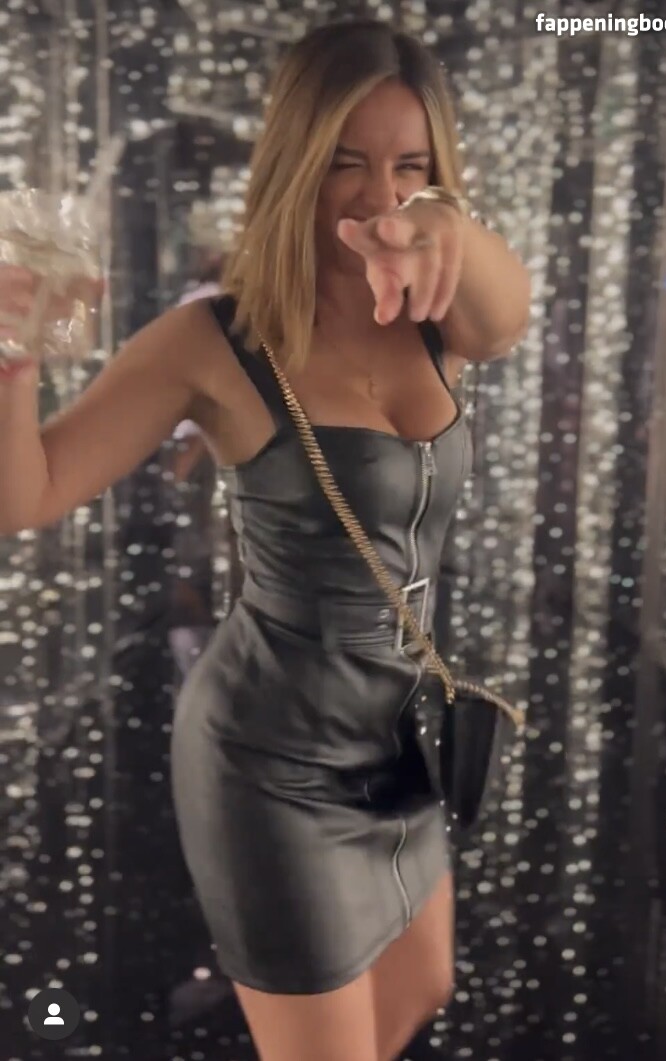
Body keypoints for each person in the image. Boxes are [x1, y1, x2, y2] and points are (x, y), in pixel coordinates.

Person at [0, 18, 530, 1061]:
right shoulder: (214, 337)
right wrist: (11, 357)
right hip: (267, 757)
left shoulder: (440, 308)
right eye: (346, 163)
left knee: (420, 984)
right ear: (297, 161)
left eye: (410, 166)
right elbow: (31, 492)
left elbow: (506, 316)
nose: (379, 198)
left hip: (393, 738)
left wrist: (448, 229)